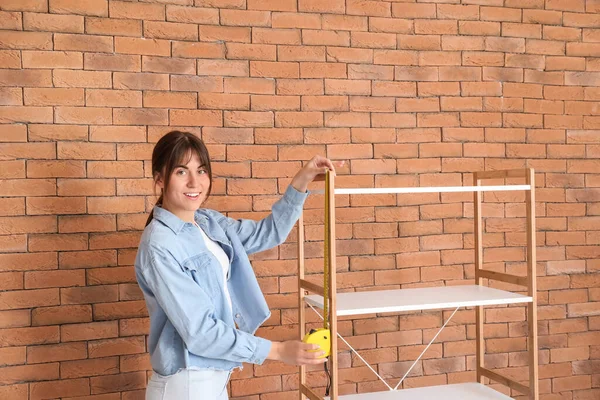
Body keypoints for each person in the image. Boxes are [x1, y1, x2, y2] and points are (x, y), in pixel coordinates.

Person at [135, 130, 342, 400]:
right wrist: (278, 350)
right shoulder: (159, 244)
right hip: (185, 385)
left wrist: (301, 181)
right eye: (181, 172)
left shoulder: (209, 222)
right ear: (160, 179)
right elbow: (200, 332)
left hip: (214, 380)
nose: (194, 182)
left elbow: (269, 233)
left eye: (202, 170)